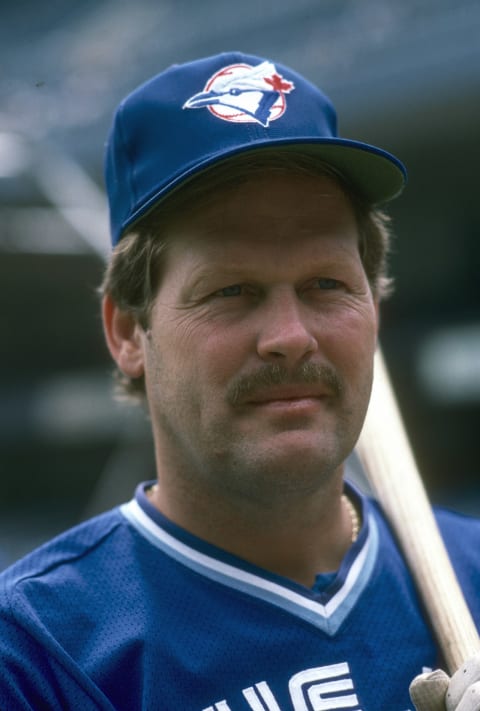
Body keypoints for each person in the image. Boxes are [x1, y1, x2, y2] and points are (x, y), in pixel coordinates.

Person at [0, 51, 479, 711]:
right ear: (128, 332)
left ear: (374, 305)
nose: (289, 336)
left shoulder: (476, 573)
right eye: (231, 289)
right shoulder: (34, 652)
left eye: (326, 284)